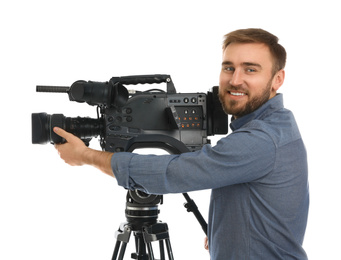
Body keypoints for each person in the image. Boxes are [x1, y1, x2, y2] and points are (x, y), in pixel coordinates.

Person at [53, 28, 309, 259]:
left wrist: (86, 156)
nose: (235, 80)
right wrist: (227, 236)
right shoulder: (275, 125)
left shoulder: (262, 140)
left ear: (278, 79)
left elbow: (173, 174)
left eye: (250, 69)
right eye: (229, 67)